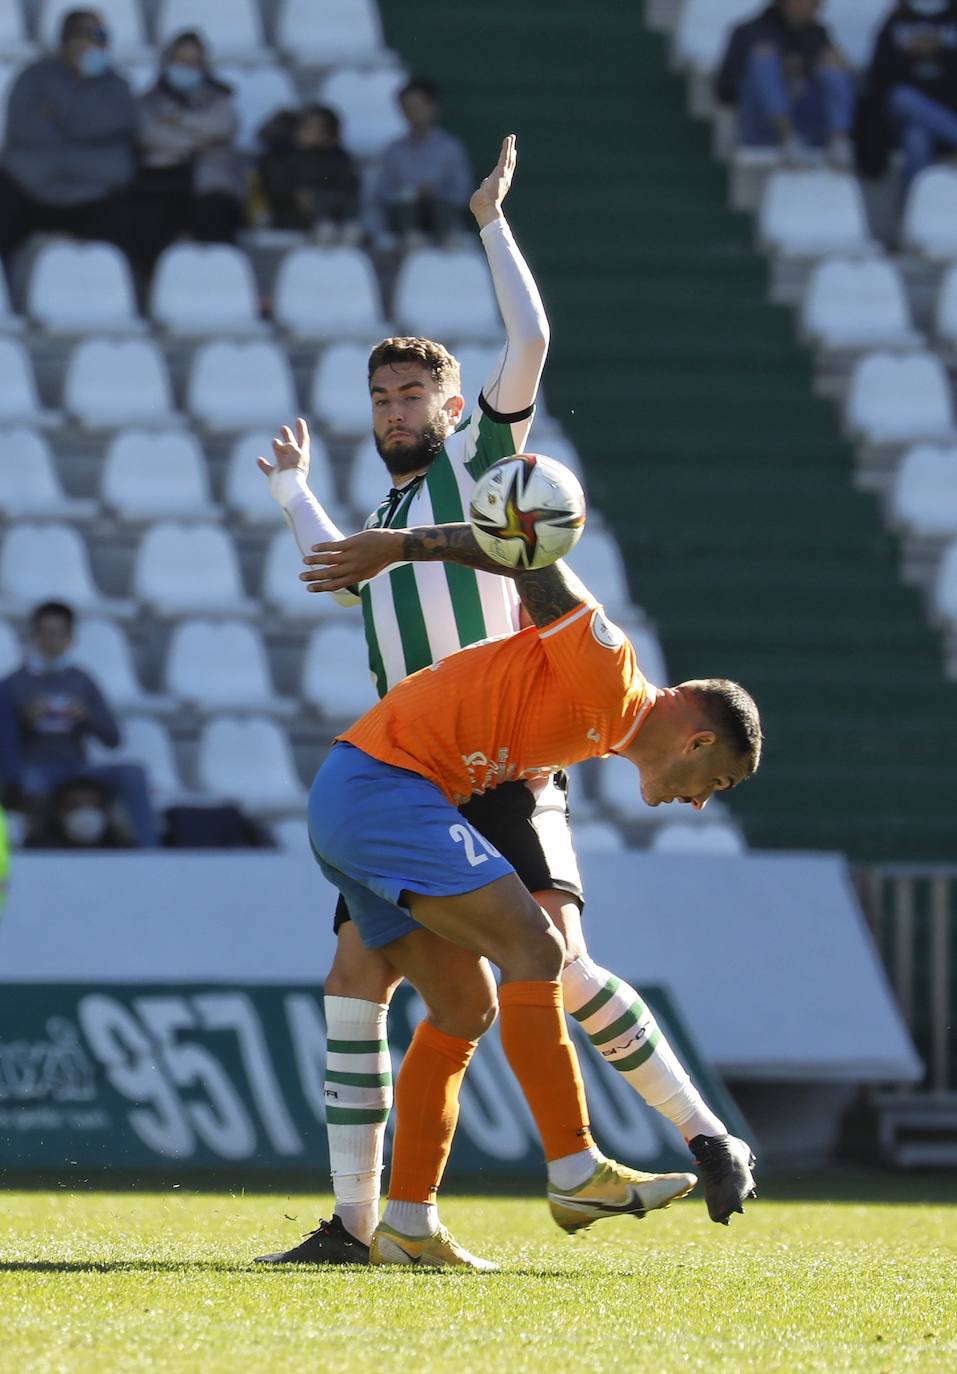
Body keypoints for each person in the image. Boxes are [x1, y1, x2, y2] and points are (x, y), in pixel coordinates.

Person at [254, 137, 757, 1268]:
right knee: (362, 986)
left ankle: (689, 1134)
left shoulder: (484, 460)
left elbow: (528, 342)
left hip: (505, 768)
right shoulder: (387, 516)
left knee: (555, 963)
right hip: (412, 769)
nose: (394, 408)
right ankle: (364, 1224)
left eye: (412, 392)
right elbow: (349, 574)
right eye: (380, 396)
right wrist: (294, 497)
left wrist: (490, 222)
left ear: (449, 402)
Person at [293, 517, 762, 1267]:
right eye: (719, 781)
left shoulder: (598, 728)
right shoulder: (609, 671)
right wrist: (402, 545)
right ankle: (574, 1167)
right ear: (699, 741)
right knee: (539, 949)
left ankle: (406, 1225)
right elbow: (528, 553)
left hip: (358, 794)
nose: (702, 800)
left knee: (464, 1007)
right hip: (385, 790)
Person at [1, 601, 158, 847]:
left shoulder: (82, 681)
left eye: (58, 633)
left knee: (133, 774)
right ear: (33, 636)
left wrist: (87, 716)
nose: (51, 641)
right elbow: (5, 743)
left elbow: (113, 740)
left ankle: (150, 848)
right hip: (36, 767)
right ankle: (36, 850)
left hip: (77, 765)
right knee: (30, 782)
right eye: (45, 633)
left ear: (70, 638)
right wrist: (25, 721)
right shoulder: (13, 684)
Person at [0, 8, 137, 283]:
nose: (95, 46)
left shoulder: (118, 87)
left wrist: (59, 120)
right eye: (87, 37)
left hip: (95, 194)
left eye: (100, 38)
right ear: (66, 41)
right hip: (30, 188)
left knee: (133, 223)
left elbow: (117, 143)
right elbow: (27, 133)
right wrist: (88, 138)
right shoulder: (32, 79)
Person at [134, 29, 244, 271]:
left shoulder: (219, 98)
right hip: (162, 180)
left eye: (194, 62)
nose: (187, 67)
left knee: (217, 214)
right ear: (167, 62)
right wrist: (199, 140)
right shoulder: (147, 101)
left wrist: (177, 122)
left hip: (208, 184)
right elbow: (149, 135)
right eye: (181, 60)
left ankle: (220, 277)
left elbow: (224, 125)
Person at [715, 0, 855, 162]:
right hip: (763, 124)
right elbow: (725, 90)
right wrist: (778, 72)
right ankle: (788, 137)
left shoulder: (818, 33)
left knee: (832, 64)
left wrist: (807, 67)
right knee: (763, 60)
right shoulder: (748, 32)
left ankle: (839, 139)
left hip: (808, 118)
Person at [855, 0, 957, 186]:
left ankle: (916, 202)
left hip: (946, 106)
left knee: (917, 138)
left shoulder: (952, 18)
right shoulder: (897, 19)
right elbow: (878, 73)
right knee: (902, 97)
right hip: (902, 110)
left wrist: (940, 50)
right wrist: (908, 53)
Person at [368, 77, 473, 248]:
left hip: (441, 216)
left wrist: (436, 193)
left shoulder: (451, 148)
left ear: (433, 107)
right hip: (405, 220)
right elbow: (383, 193)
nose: (413, 113)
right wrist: (412, 193)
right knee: (406, 209)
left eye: (418, 107)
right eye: (407, 108)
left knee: (441, 209)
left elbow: (462, 193)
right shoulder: (393, 151)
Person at [257, 103, 361, 242]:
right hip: (286, 215)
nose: (311, 130)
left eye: (319, 127)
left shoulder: (337, 158)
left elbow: (348, 188)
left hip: (330, 216)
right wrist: (297, 194)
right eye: (307, 125)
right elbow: (272, 186)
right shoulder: (279, 154)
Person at [24, 775, 134, 849]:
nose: (85, 813)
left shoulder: (123, 852)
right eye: (74, 806)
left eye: (93, 806)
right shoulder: (37, 851)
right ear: (58, 813)